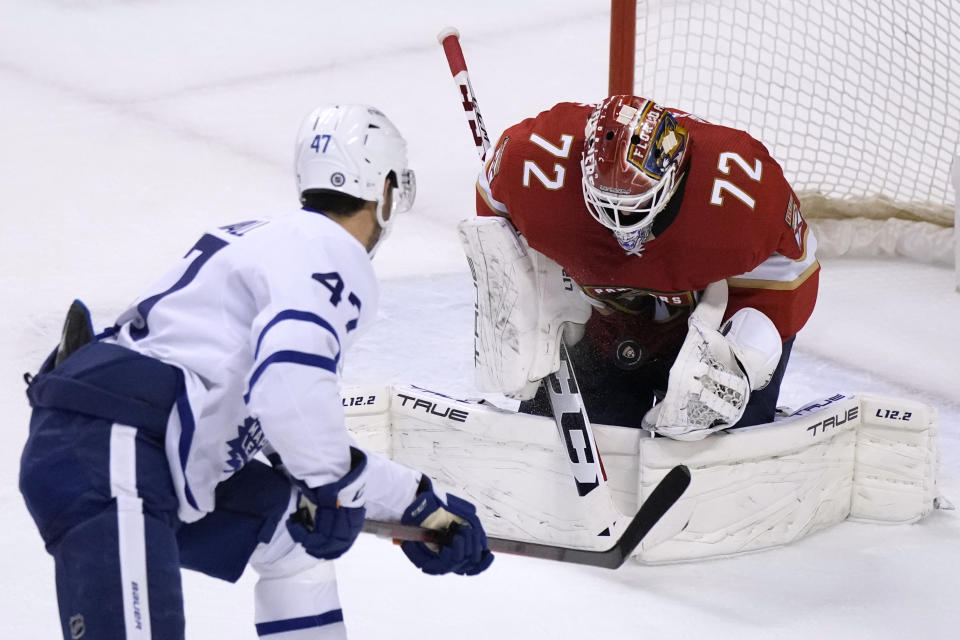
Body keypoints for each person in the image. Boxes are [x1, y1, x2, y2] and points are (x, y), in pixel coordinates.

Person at [20, 103, 493, 640]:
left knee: (293, 535)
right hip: (117, 450)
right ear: (383, 190)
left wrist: (417, 504)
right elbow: (289, 384)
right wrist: (329, 488)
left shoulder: (266, 244)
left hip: (130, 444)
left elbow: (287, 427)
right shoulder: (332, 252)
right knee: (309, 510)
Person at [470, 95, 819, 439]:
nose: (620, 224)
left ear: (676, 177)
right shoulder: (533, 158)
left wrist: (735, 357)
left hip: (702, 328)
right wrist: (524, 290)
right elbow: (491, 198)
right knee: (551, 449)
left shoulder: (743, 191)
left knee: (725, 455)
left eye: (635, 207)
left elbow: (792, 272)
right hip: (596, 325)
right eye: (605, 204)